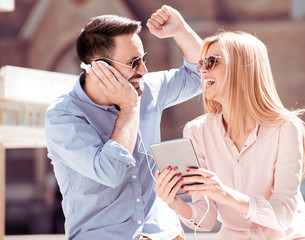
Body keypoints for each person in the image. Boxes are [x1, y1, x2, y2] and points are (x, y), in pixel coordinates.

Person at [44, 5, 202, 240]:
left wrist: (180, 30)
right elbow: (111, 171)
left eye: (143, 59)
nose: (144, 70)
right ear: (100, 67)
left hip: (164, 234)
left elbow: (200, 74)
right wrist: (129, 108)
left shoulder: (148, 89)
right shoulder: (63, 117)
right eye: (134, 62)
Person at [155, 31, 305, 240]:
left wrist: (226, 195)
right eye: (201, 64)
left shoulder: (285, 127)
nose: (202, 71)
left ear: (241, 68)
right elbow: (205, 219)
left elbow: (284, 214)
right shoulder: (197, 131)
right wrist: (174, 202)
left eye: (211, 62)